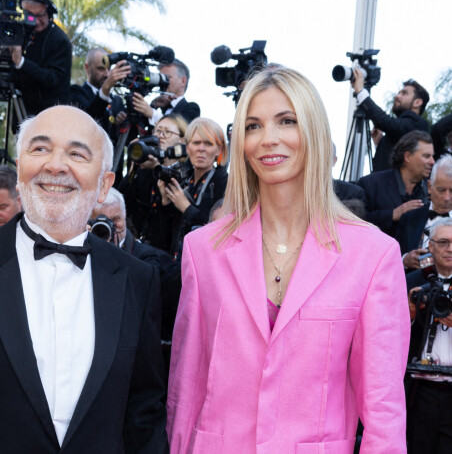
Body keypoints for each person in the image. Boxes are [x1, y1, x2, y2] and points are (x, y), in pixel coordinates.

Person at [0, 105, 168, 454]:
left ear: (104, 185)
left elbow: (144, 409)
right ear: (20, 171)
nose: (55, 165)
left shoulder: (137, 280)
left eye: (76, 153)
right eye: (40, 149)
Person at [167, 67, 409, 453]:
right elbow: (186, 389)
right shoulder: (203, 250)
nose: (268, 139)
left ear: (312, 130)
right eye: (253, 126)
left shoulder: (373, 256)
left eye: (286, 121)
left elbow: (383, 412)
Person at [406, 218, 452, 453]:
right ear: (430, 246)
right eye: (443, 242)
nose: (451, 249)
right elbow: (389, 335)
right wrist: (410, 313)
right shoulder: (412, 283)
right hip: (419, 389)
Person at [157, 117, 228, 261]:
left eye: (208, 143)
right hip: (175, 263)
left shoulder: (224, 182)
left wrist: (186, 208)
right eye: (196, 143)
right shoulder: (183, 179)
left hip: (205, 263)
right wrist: (165, 202)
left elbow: (219, 231)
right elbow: (163, 237)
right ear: (188, 148)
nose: (201, 148)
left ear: (218, 150)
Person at [118, 114, 189, 248]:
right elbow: (121, 200)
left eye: (167, 132)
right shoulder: (144, 169)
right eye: (157, 130)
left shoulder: (186, 174)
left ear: (182, 141)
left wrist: (159, 169)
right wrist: (132, 171)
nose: (160, 135)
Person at [357, 130, 434, 248]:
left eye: (432, 156)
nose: (432, 162)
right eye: (426, 156)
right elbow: (357, 223)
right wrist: (393, 214)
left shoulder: (432, 190)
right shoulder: (371, 184)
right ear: (407, 156)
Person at [11, 0, 72, 115]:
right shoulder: (22, 32)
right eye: (29, 16)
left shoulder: (58, 40)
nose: (36, 21)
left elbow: (52, 79)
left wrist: (21, 62)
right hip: (22, 115)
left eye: (40, 15)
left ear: (48, 13)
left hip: (48, 116)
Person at [350, 73, 430, 171]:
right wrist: (379, 143)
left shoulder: (417, 123)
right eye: (399, 93)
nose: (397, 96)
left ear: (417, 102)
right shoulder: (402, 128)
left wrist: (361, 92)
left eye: (404, 93)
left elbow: (384, 121)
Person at [90, 187, 170, 272]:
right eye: (104, 221)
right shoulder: (85, 252)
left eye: (116, 219)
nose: (111, 227)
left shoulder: (145, 257)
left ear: (125, 214)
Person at [398, 154, 452, 270]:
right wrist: (405, 260)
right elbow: (391, 259)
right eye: (441, 190)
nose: (447, 197)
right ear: (429, 187)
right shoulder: (409, 218)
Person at [68, 47, 129, 134]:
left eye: (108, 69)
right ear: (87, 68)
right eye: (101, 69)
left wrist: (121, 122)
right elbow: (88, 121)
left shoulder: (117, 101)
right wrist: (106, 88)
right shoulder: (76, 92)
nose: (106, 74)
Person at [132, 60, 200, 126]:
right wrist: (153, 105)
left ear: (183, 81)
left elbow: (180, 129)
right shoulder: (159, 108)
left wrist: (152, 113)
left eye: (167, 78)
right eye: (160, 77)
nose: (163, 82)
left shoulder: (192, 108)